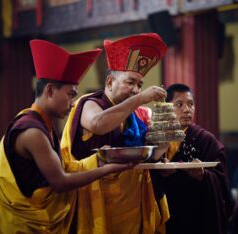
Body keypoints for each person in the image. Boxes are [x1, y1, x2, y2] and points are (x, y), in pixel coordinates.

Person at [0, 40, 133, 233]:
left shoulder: (42, 125)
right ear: (49, 90)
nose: (73, 103)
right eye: (70, 95)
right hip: (21, 227)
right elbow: (60, 182)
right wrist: (108, 169)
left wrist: (98, 159)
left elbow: (62, 167)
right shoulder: (32, 131)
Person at [61, 33, 169, 233]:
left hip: (131, 203)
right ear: (110, 82)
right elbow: (98, 124)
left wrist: (164, 142)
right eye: (130, 82)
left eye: (139, 85)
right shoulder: (90, 103)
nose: (136, 90)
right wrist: (140, 99)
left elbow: (149, 156)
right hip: (95, 201)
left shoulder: (136, 115)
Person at [156, 83, 232, 234]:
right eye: (179, 104)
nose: (187, 109)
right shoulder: (156, 139)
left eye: (191, 104)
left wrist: (203, 176)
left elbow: (221, 181)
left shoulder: (205, 140)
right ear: (166, 108)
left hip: (195, 216)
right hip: (164, 214)